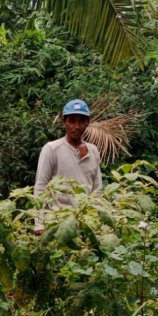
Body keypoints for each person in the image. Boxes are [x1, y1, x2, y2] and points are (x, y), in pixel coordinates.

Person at [33, 99, 103, 234]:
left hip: (85, 223)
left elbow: (97, 188)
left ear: (87, 122)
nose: (77, 126)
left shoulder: (93, 150)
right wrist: (39, 224)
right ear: (64, 122)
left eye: (82, 121)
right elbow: (41, 186)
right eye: (72, 120)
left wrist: (97, 220)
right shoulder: (51, 149)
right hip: (57, 223)